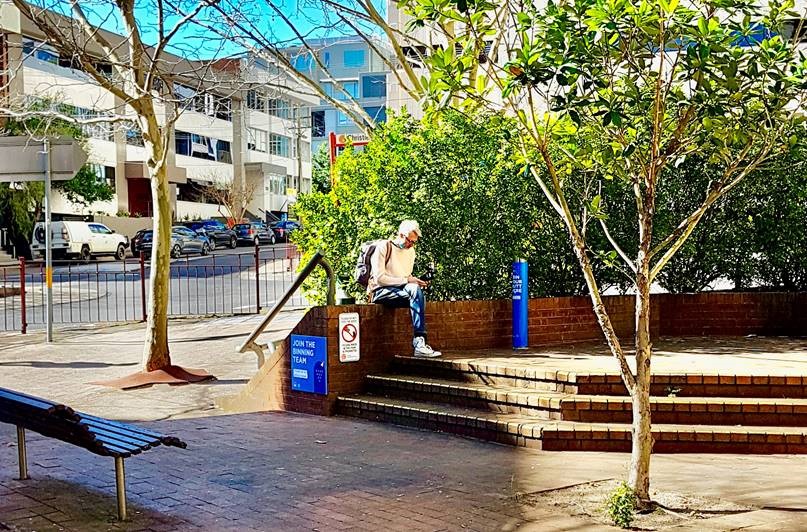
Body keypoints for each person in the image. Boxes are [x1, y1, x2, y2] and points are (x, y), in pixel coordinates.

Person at [368, 220, 441, 358]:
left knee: (415, 291)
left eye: (414, 242)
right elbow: (380, 279)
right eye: (410, 241)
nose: (411, 245)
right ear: (401, 235)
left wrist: (415, 281)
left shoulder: (411, 252)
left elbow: (405, 276)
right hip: (380, 291)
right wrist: (407, 280)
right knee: (415, 294)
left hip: (400, 290)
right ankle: (419, 343)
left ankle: (419, 341)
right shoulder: (384, 247)